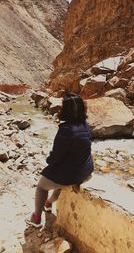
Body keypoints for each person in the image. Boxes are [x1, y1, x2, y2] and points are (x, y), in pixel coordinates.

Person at [26, 92, 93, 227]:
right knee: (60, 180)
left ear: (65, 110)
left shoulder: (66, 130)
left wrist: (48, 161)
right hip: (86, 172)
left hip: (71, 174)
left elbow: (56, 157)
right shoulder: (86, 125)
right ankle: (49, 203)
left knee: (42, 186)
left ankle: (36, 218)